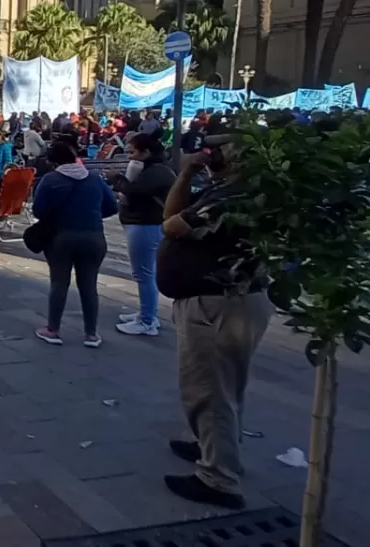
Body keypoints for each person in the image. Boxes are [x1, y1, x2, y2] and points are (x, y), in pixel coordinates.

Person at [157, 124, 271, 509]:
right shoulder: (248, 189)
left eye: (215, 150)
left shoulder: (235, 195)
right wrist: (189, 174)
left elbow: (171, 223)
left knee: (210, 389)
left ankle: (218, 478)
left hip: (219, 302)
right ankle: (215, 449)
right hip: (231, 300)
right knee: (225, 385)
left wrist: (188, 172)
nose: (208, 155)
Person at [31, 142, 118, 348]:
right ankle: (91, 334)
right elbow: (112, 206)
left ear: (52, 162)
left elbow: (38, 210)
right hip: (94, 237)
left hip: (61, 237)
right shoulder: (95, 179)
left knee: (59, 283)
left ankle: (53, 330)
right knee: (89, 286)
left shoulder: (50, 180)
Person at [113, 133, 176, 336]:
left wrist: (118, 180)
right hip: (141, 224)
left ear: (146, 152)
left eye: (133, 152)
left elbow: (135, 191)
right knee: (144, 273)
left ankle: (147, 320)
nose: (130, 157)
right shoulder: (150, 168)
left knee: (144, 274)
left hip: (146, 225)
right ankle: (146, 313)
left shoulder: (157, 171)